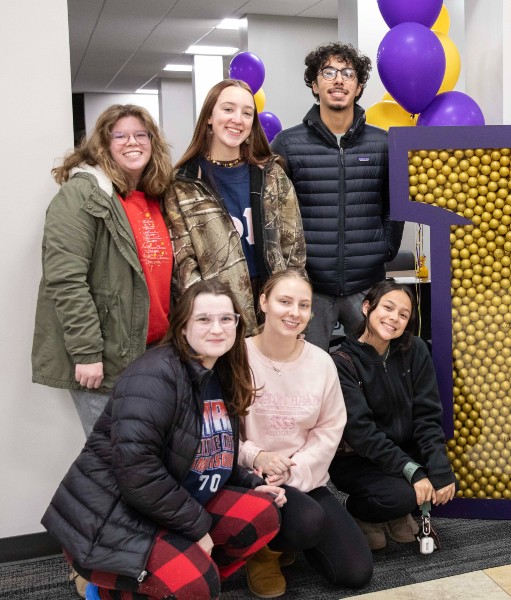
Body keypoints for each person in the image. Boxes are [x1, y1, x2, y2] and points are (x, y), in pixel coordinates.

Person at [42, 279, 285, 599]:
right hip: (113, 518)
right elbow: (137, 472)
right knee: (198, 585)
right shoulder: (154, 375)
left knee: (263, 513)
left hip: (168, 504)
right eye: (203, 319)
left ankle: (179, 578)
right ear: (183, 327)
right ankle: (104, 591)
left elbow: (213, 450)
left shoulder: (220, 372)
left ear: (238, 325)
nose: (217, 328)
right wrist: (198, 527)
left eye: (226, 318)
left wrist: (251, 481)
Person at [33, 104, 174, 440]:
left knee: (143, 458)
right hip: (107, 357)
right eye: (120, 136)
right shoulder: (82, 194)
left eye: (141, 135)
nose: (132, 142)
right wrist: (86, 352)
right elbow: (65, 279)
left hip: (152, 351)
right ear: (102, 145)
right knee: (111, 462)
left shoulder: (154, 197)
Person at [239, 269, 372, 597]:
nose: (293, 312)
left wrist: (291, 470)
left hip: (301, 476)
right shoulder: (236, 357)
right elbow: (218, 429)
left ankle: (286, 536)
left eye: (303, 305)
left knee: (355, 572)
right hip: (246, 479)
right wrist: (257, 457)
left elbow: (329, 428)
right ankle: (262, 554)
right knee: (306, 521)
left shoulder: (321, 362)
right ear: (263, 302)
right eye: (284, 301)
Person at [271, 42, 404, 350]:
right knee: (306, 373)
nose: (339, 80)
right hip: (309, 289)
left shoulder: (383, 144)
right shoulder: (287, 144)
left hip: (366, 285)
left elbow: (394, 204)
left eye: (348, 73)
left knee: (373, 370)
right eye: (328, 72)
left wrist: (386, 248)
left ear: (358, 87)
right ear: (315, 85)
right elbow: (273, 214)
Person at [166, 79, 306, 334]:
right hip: (214, 314)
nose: (237, 119)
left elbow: (293, 249)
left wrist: (290, 304)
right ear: (209, 116)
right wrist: (213, 316)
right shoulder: (184, 184)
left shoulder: (272, 176)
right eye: (228, 109)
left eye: (247, 113)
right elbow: (183, 264)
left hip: (272, 307)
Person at [330, 281, 455, 550]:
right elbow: (362, 434)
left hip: (404, 452)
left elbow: (427, 416)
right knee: (402, 495)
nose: (394, 318)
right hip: (359, 460)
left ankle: (395, 515)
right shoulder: (341, 362)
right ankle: (360, 511)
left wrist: (438, 469)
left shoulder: (416, 350)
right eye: (388, 307)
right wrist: (413, 472)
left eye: (403, 314)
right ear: (367, 307)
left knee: (441, 476)